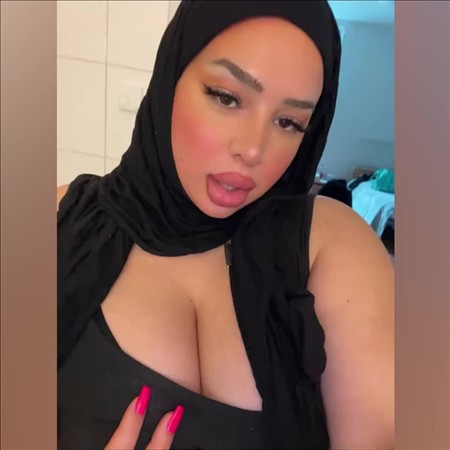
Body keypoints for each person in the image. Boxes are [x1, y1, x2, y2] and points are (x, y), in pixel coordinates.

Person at [57, 1, 394, 449]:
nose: (253, 150)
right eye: (226, 97)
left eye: (289, 122)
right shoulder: (54, 225)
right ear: (172, 76)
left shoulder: (332, 246)